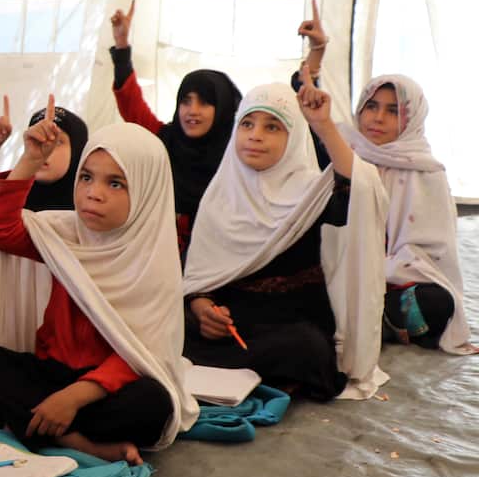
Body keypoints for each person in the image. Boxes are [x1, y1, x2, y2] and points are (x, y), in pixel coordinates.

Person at [0, 99, 198, 462]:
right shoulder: (65, 232)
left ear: (146, 191)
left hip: (109, 388)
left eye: (116, 183)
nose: (93, 193)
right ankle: (75, 442)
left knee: (155, 404)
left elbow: (146, 353)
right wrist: (31, 160)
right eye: (87, 177)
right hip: (51, 373)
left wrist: (75, 397)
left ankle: (43, 425)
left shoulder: (154, 261)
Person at [182, 69, 389, 401]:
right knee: (167, 323)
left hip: (288, 325)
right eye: (247, 124)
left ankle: (239, 372)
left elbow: (361, 191)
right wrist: (203, 307)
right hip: (230, 326)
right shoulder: (221, 194)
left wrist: (323, 125)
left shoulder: (310, 192)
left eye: (272, 127)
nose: (255, 136)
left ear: (293, 137)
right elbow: (197, 277)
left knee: (305, 349)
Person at [342, 74, 476, 353]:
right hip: (342, 272)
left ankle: (373, 318)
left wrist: (377, 270)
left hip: (395, 281)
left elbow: (434, 253)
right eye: (372, 106)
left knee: (438, 304)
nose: (378, 118)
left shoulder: (427, 171)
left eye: (394, 111)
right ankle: (378, 322)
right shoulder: (344, 152)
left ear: (412, 119)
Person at [106, 0, 242, 255]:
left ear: (222, 109)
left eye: (204, 103)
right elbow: (132, 107)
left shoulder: (240, 155)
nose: (192, 111)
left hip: (222, 264)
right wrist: (122, 48)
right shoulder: (166, 141)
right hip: (164, 261)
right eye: (186, 101)